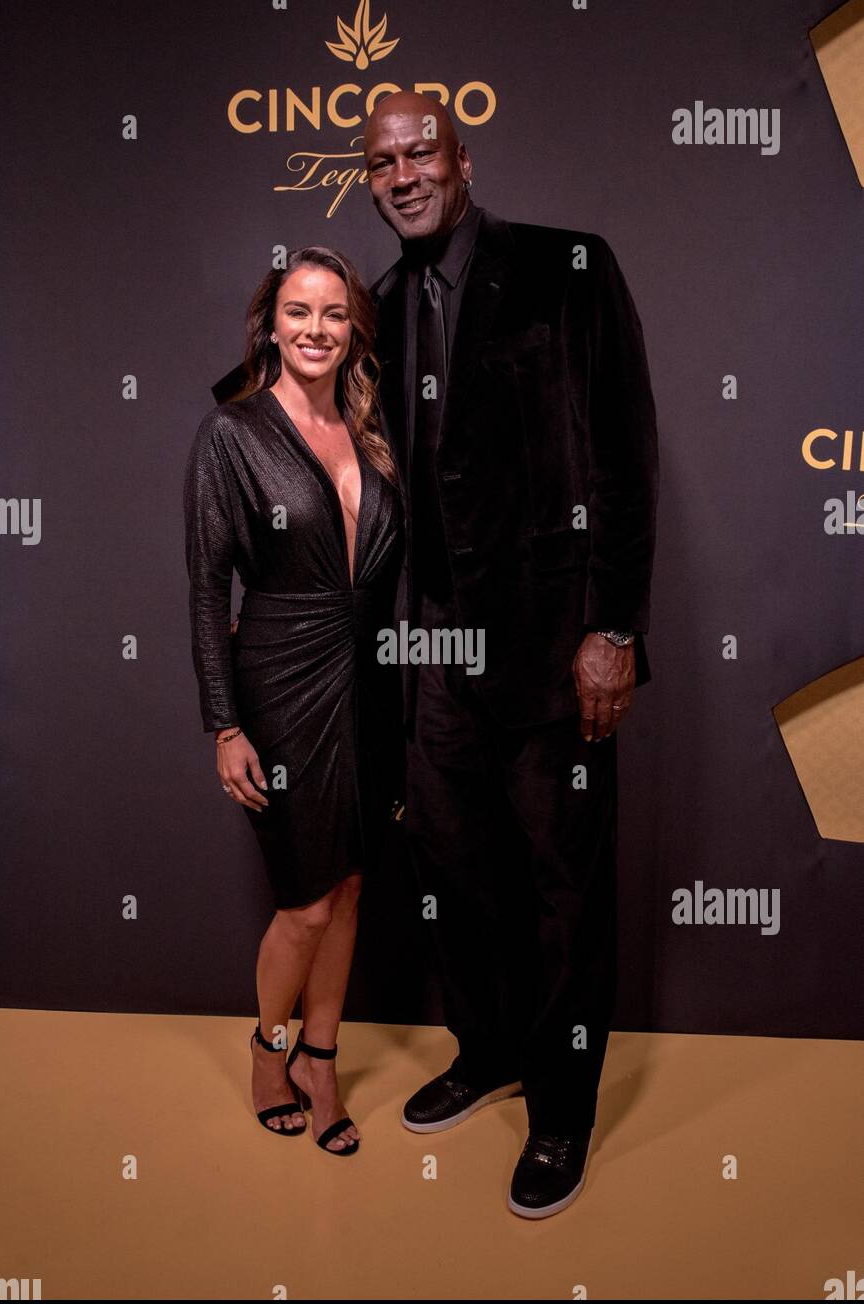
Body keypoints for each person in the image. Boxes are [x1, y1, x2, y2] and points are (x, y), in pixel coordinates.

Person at [363, 92, 659, 1216]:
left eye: (420, 153)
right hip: (439, 647)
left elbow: (627, 454)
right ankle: (484, 1047)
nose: (403, 176)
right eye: (381, 162)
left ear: (461, 158)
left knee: (562, 889)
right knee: (453, 869)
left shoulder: (567, 267)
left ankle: (562, 1109)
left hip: (553, 647)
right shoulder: (379, 308)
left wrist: (613, 628)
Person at [183, 248, 402, 1155]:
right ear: (270, 325)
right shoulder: (230, 436)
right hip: (279, 683)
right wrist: (223, 724)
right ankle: (269, 1051)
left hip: (370, 682)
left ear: (354, 331)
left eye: (334, 314)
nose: (316, 329)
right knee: (306, 901)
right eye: (298, 312)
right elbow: (206, 591)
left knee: (350, 886)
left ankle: (322, 1058)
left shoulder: (369, 428)